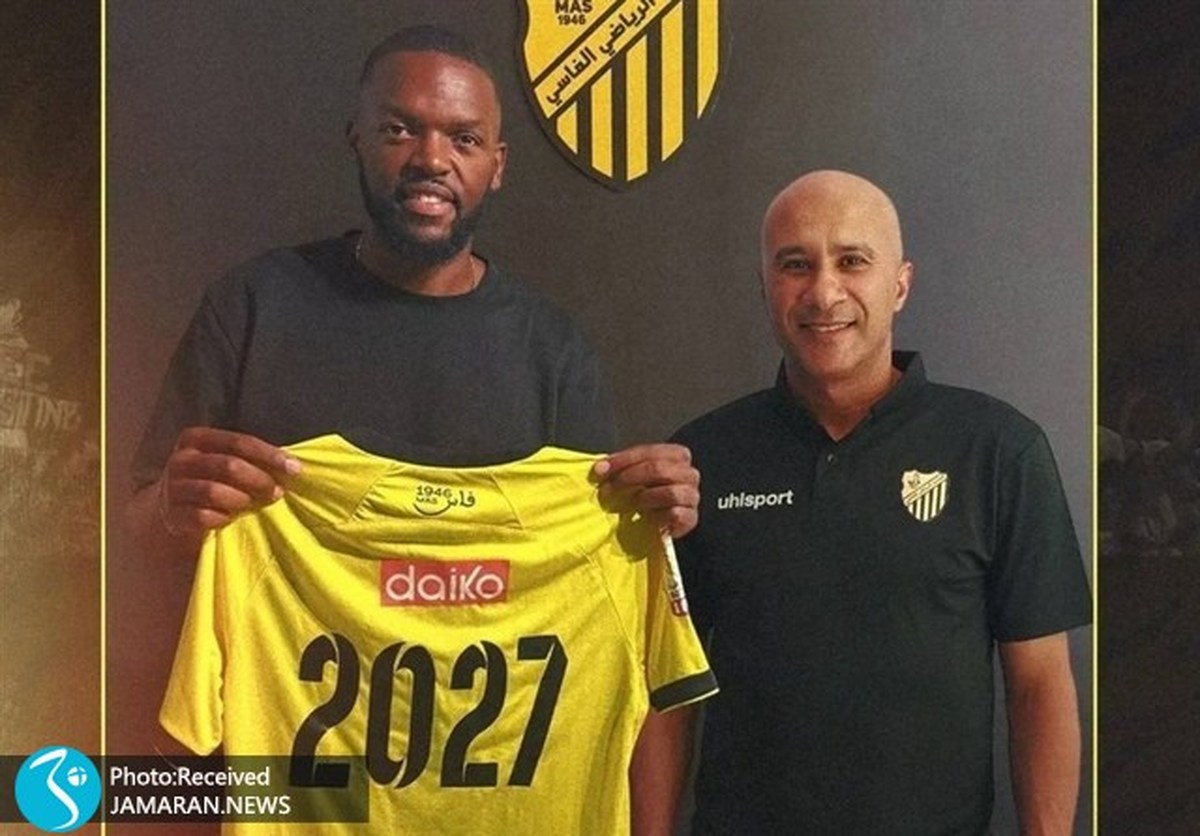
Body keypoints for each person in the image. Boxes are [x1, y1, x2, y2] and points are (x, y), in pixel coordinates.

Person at [124, 24, 700, 836]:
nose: (432, 158)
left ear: (497, 163)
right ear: (357, 137)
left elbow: (622, 642)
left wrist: (652, 530)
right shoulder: (253, 306)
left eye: (464, 138)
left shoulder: (551, 349)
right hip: (305, 799)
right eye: (401, 128)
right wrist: (171, 510)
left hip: (496, 807)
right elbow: (137, 533)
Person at [665, 170, 1091, 834]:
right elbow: (667, 693)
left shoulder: (999, 451)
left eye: (852, 261)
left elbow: (1040, 686)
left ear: (900, 284)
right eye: (796, 264)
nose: (823, 292)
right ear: (764, 286)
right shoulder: (699, 461)